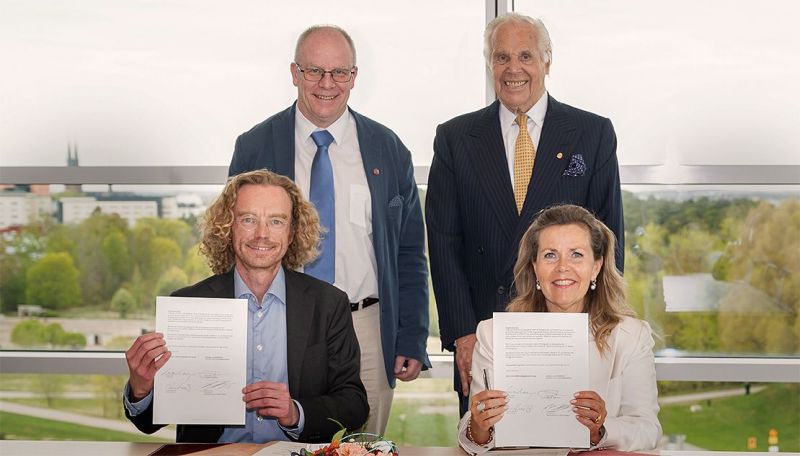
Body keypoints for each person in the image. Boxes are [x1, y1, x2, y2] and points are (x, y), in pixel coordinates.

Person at [228, 24, 430, 435]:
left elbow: (409, 252)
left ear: (354, 76)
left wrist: (411, 335)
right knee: (280, 440)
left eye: (339, 72)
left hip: (366, 327)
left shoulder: (388, 148)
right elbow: (232, 242)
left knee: (362, 445)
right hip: (279, 322)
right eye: (314, 71)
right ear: (294, 73)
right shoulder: (255, 146)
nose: (327, 83)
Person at [426, 12, 625, 416]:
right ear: (489, 64)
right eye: (501, 57)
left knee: (574, 435)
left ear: (547, 61)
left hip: (570, 333)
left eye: (525, 56)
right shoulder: (455, 138)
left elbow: (609, 240)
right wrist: (464, 334)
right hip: (486, 335)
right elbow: (444, 243)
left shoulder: (592, 133)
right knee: (485, 436)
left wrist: (598, 332)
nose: (513, 69)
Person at [123, 170, 368, 443]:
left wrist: (295, 412)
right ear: (228, 227)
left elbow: (354, 405)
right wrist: (141, 389)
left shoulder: (328, 304)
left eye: (276, 221)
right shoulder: (189, 304)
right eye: (248, 219)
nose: (262, 234)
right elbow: (148, 423)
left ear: (292, 232)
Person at [458, 204, 660, 453]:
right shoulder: (493, 334)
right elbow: (472, 432)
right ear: (535, 267)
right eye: (550, 255)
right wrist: (479, 426)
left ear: (596, 266)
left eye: (576, 254)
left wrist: (599, 431)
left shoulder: (631, 336)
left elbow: (648, 429)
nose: (563, 267)